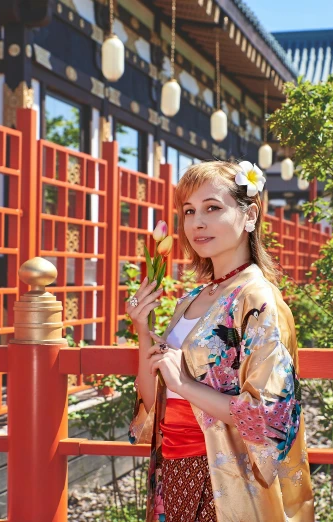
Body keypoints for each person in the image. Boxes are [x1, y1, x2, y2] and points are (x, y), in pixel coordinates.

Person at [126, 160, 314, 522]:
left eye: (213, 208)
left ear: (250, 216)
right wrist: (142, 328)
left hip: (224, 478)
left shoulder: (258, 299)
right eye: (189, 211)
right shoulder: (191, 299)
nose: (197, 222)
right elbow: (156, 401)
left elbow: (269, 417)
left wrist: (182, 382)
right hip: (174, 471)